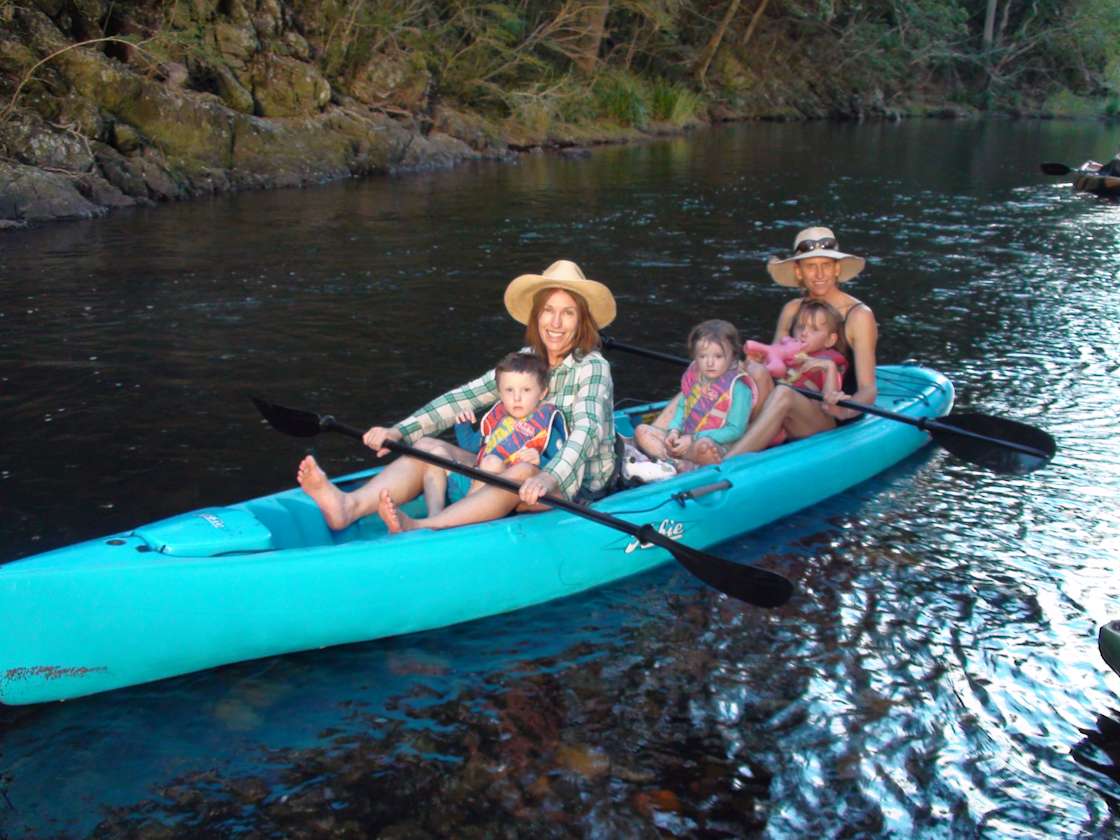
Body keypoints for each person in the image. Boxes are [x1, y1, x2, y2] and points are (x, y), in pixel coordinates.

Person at [296, 259, 616, 533]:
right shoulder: (528, 359)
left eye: (568, 313)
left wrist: (549, 477)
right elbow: (463, 398)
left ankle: (425, 526)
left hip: (572, 485)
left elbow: (587, 431)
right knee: (426, 447)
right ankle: (348, 506)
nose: (556, 323)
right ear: (537, 315)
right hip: (513, 465)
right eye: (548, 310)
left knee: (521, 473)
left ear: (581, 320)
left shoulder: (592, 367)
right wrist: (401, 431)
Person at [723, 225, 878, 456]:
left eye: (826, 265)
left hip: (829, 417)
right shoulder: (792, 309)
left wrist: (843, 411)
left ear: (837, 268)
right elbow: (776, 367)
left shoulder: (859, 315)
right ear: (798, 271)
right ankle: (713, 438)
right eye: (810, 266)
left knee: (784, 394)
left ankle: (725, 463)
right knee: (755, 371)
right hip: (790, 400)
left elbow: (868, 389)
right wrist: (755, 362)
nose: (819, 274)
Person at [632, 319, 753, 470]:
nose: (710, 363)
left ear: (733, 356)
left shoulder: (740, 390)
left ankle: (681, 465)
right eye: (703, 356)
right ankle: (672, 463)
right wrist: (674, 431)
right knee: (641, 430)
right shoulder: (695, 380)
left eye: (718, 356)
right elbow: (682, 408)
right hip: (684, 439)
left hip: (714, 445)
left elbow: (735, 430)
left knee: (704, 447)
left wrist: (693, 439)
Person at [451, 351, 567, 496]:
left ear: (542, 393)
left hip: (515, 494)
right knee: (436, 453)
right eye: (509, 390)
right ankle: (437, 508)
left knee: (491, 463)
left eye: (526, 390)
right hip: (480, 481)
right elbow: (470, 447)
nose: (516, 398)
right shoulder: (497, 420)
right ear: (500, 393)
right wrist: (463, 424)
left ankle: (467, 506)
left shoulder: (547, 428)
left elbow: (561, 468)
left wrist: (541, 460)